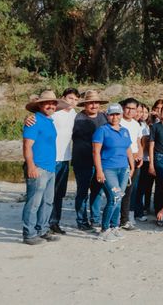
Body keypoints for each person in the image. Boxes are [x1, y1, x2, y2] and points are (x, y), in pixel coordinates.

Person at [21, 91, 68, 245]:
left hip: (50, 167)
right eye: (47, 103)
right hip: (38, 167)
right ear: (40, 105)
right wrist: (31, 166)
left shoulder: (50, 121)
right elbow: (27, 146)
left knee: (48, 201)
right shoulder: (34, 121)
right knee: (34, 202)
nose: (51, 106)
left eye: (53, 103)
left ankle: (43, 230)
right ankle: (29, 234)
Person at [92, 104, 134, 242]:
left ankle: (115, 226)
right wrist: (99, 170)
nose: (115, 117)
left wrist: (131, 166)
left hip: (123, 168)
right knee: (114, 197)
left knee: (120, 197)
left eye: (117, 114)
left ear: (121, 115)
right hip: (108, 168)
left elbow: (128, 149)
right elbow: (96, 152)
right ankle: (104, 229)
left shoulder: (125, 131)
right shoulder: (102, 130)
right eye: (112, 114)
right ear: (107, 115)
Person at [71, 90, 108, 231]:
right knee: (82, 192)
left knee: (97, 191)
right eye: (90, 103)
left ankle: (95, 219)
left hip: (99, 161)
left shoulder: (104, 117)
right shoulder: (77, 118)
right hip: (82, 161)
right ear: (85, 105)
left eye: (96, 102)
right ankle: (81, 221)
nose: (93, 105)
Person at [46, 87, 78, 235]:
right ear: (63, 97)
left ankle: (54, 222)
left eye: (76, 99)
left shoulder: (74, 114)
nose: (73, 101)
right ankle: (43, 223)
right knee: (47, 193)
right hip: (50, 158)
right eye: (70, 98)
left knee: (59, 193)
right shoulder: (54, 112)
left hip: (65, 159)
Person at [118, 97, 143, 231]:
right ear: (123, 108)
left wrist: (140, 154)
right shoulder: (118, 121)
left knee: (128, 191)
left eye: (133, 109)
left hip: (135, 160)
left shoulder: (136, 124)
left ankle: (124, 219)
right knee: (117, 190)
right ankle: (115, 218)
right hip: (122, 159)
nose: (130, 111)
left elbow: (138, 141)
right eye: (128, 108)